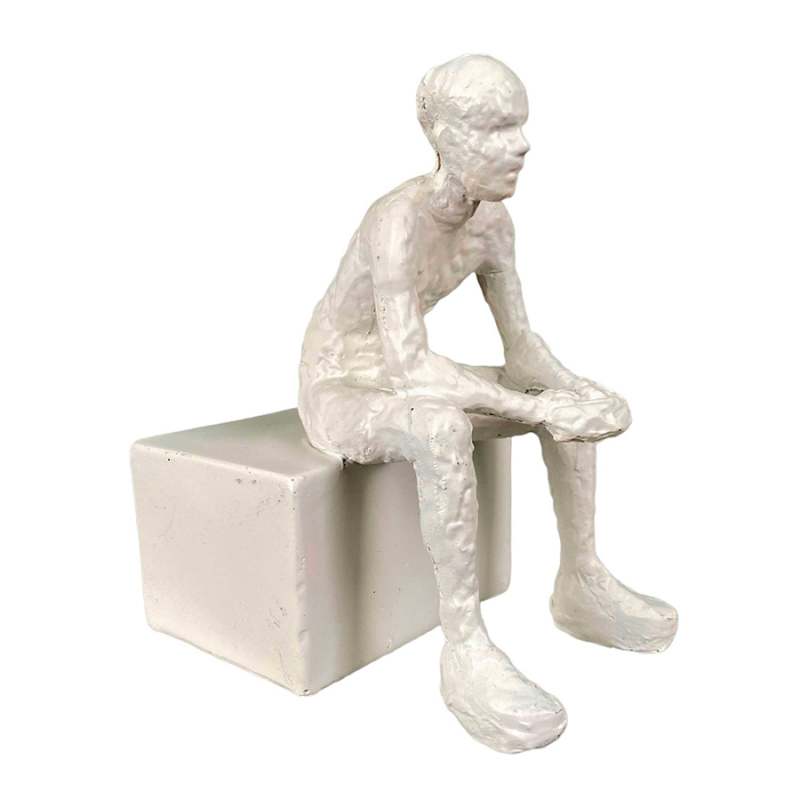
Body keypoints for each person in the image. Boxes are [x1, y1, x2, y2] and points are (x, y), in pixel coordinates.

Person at [298, 54, 677, 753]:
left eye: (520, 126)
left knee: (551, 392)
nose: (522, 145)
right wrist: (540, 412)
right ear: (444, 137)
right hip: (340, 382)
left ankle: (581, 580)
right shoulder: (396, 221)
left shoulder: (492, 224)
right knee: (441, 428)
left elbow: (521, 346)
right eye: (498, 128)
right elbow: (411, 368)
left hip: (395, 373)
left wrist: (575, 392)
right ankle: (464, 647)